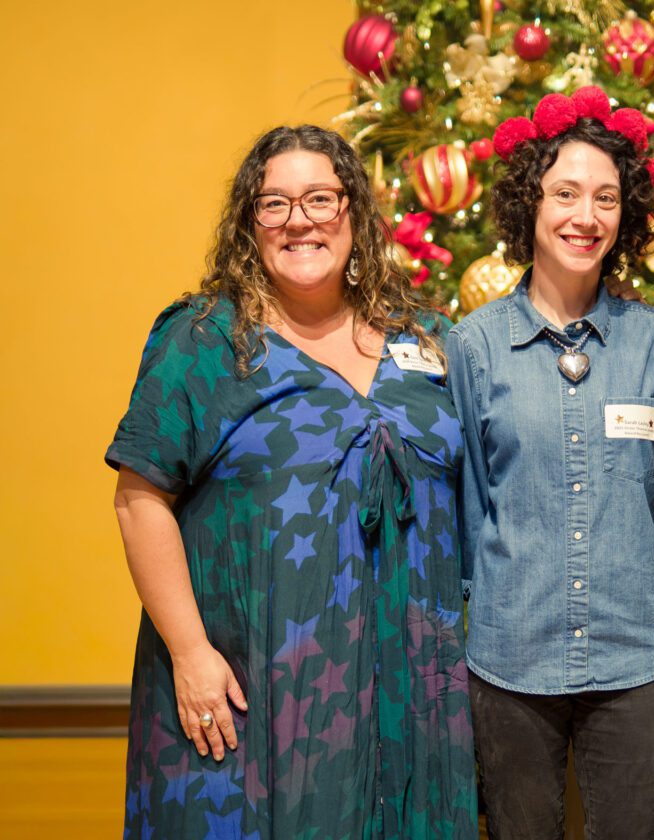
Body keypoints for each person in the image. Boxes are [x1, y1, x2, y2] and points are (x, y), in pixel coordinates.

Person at [107, 125, 477, 839]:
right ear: (250, 223)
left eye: (319, 198)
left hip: (411, 689)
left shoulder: (428, 339)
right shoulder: (207, 341)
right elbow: (138, 500)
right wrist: (189, 653)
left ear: (355, 213)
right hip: (254, 689)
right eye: (273, 203)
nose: (298, 219)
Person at [446, 87, 654, 840]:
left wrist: (648, 606)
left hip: (631, 657)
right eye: (565, 193)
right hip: (510, 655)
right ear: (531, 204)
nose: (586, 217)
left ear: (627, 215)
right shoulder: (475, 345)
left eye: (606, 198)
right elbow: (471, 507)